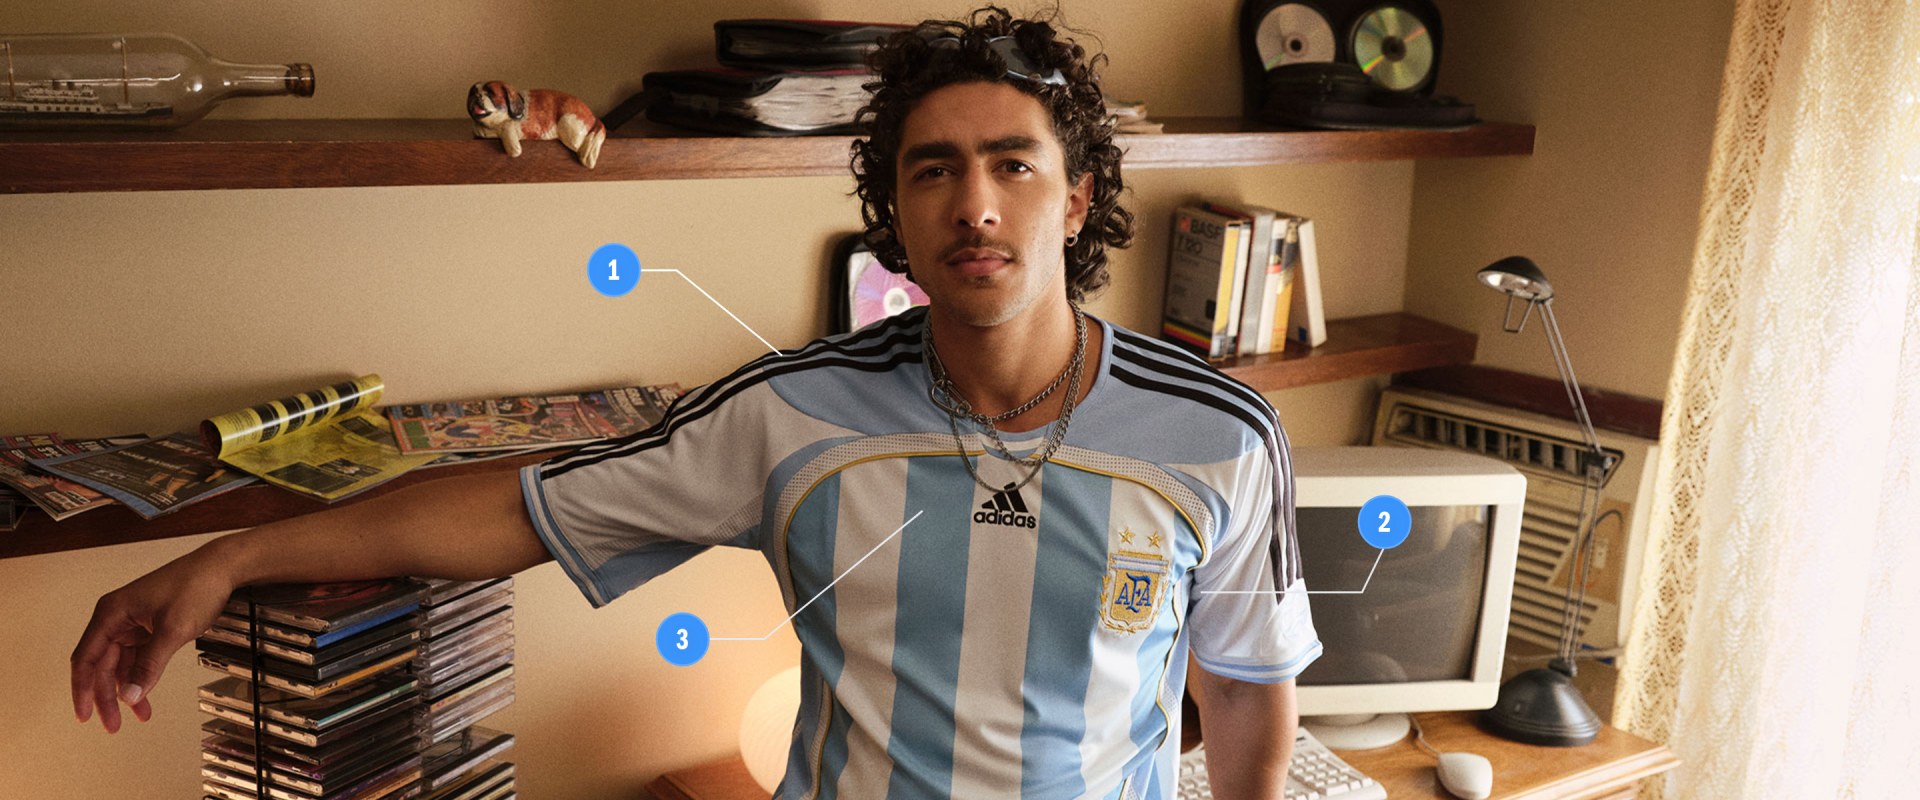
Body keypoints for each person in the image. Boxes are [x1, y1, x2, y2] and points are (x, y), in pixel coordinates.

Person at [70, 6, 1320, 798]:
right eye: (934, 170)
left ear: (1078, 197)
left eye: (1014, 166)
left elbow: (1246, 689)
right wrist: (231, 556)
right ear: (896, 214)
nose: (976, 204)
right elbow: (513, 508)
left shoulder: (1220, 435)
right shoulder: (791, 415)